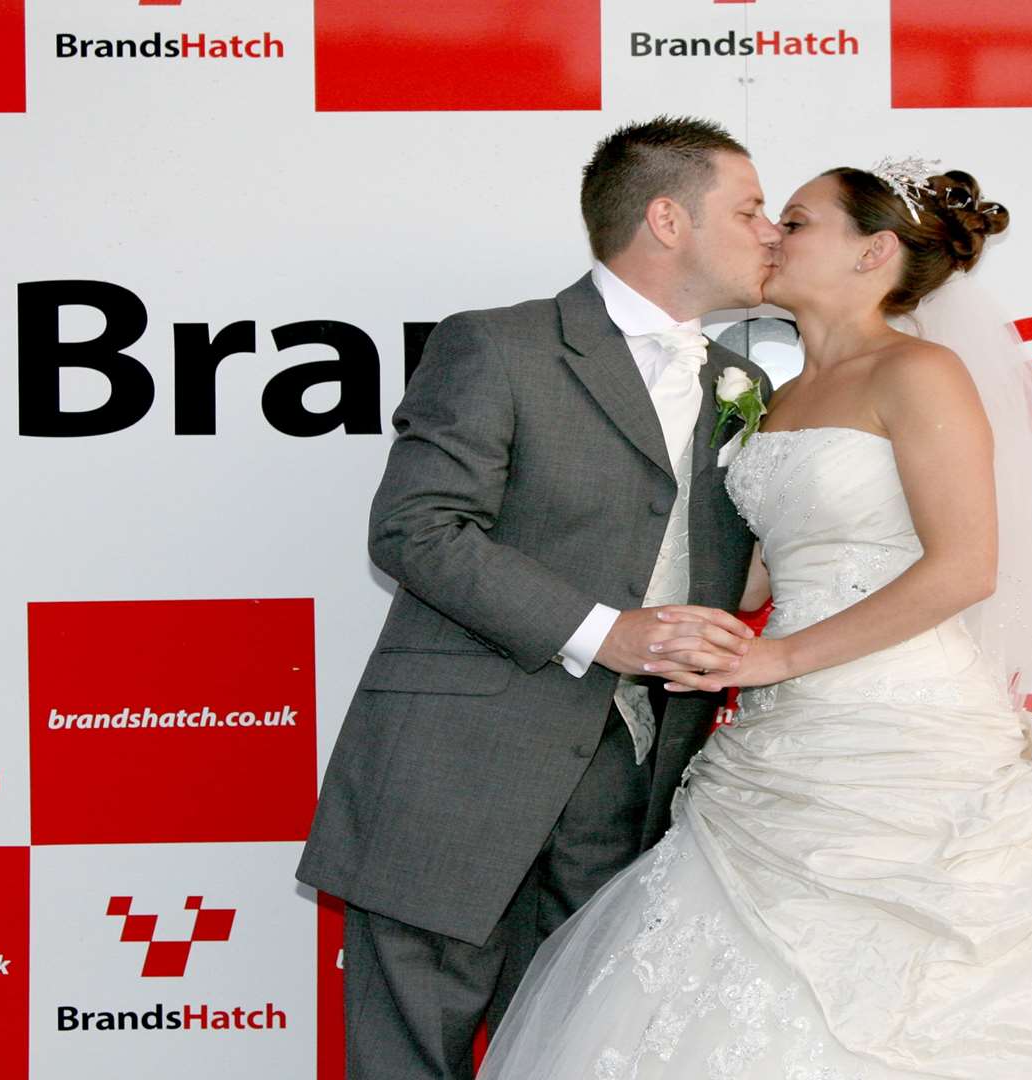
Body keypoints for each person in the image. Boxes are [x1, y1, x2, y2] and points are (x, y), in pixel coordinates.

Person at [477, 162, 1032, 1078]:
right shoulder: (765, 399)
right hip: (780, 748)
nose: (772, 234)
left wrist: (780, 658)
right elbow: (757, 570)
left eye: (798, 221)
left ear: (875, 252)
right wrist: (635, 619)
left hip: (904, 730)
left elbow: (965, 567)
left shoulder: (920, 372)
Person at [295, 116, 782, 1079]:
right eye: (752, 208)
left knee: (572, 1051)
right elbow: (416, 530)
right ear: (667, 219)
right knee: (408, 1051)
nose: (772, 231)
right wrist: (608, 634)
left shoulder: (743, 380)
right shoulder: (500, 346)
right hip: (457, 769)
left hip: (643, 781)